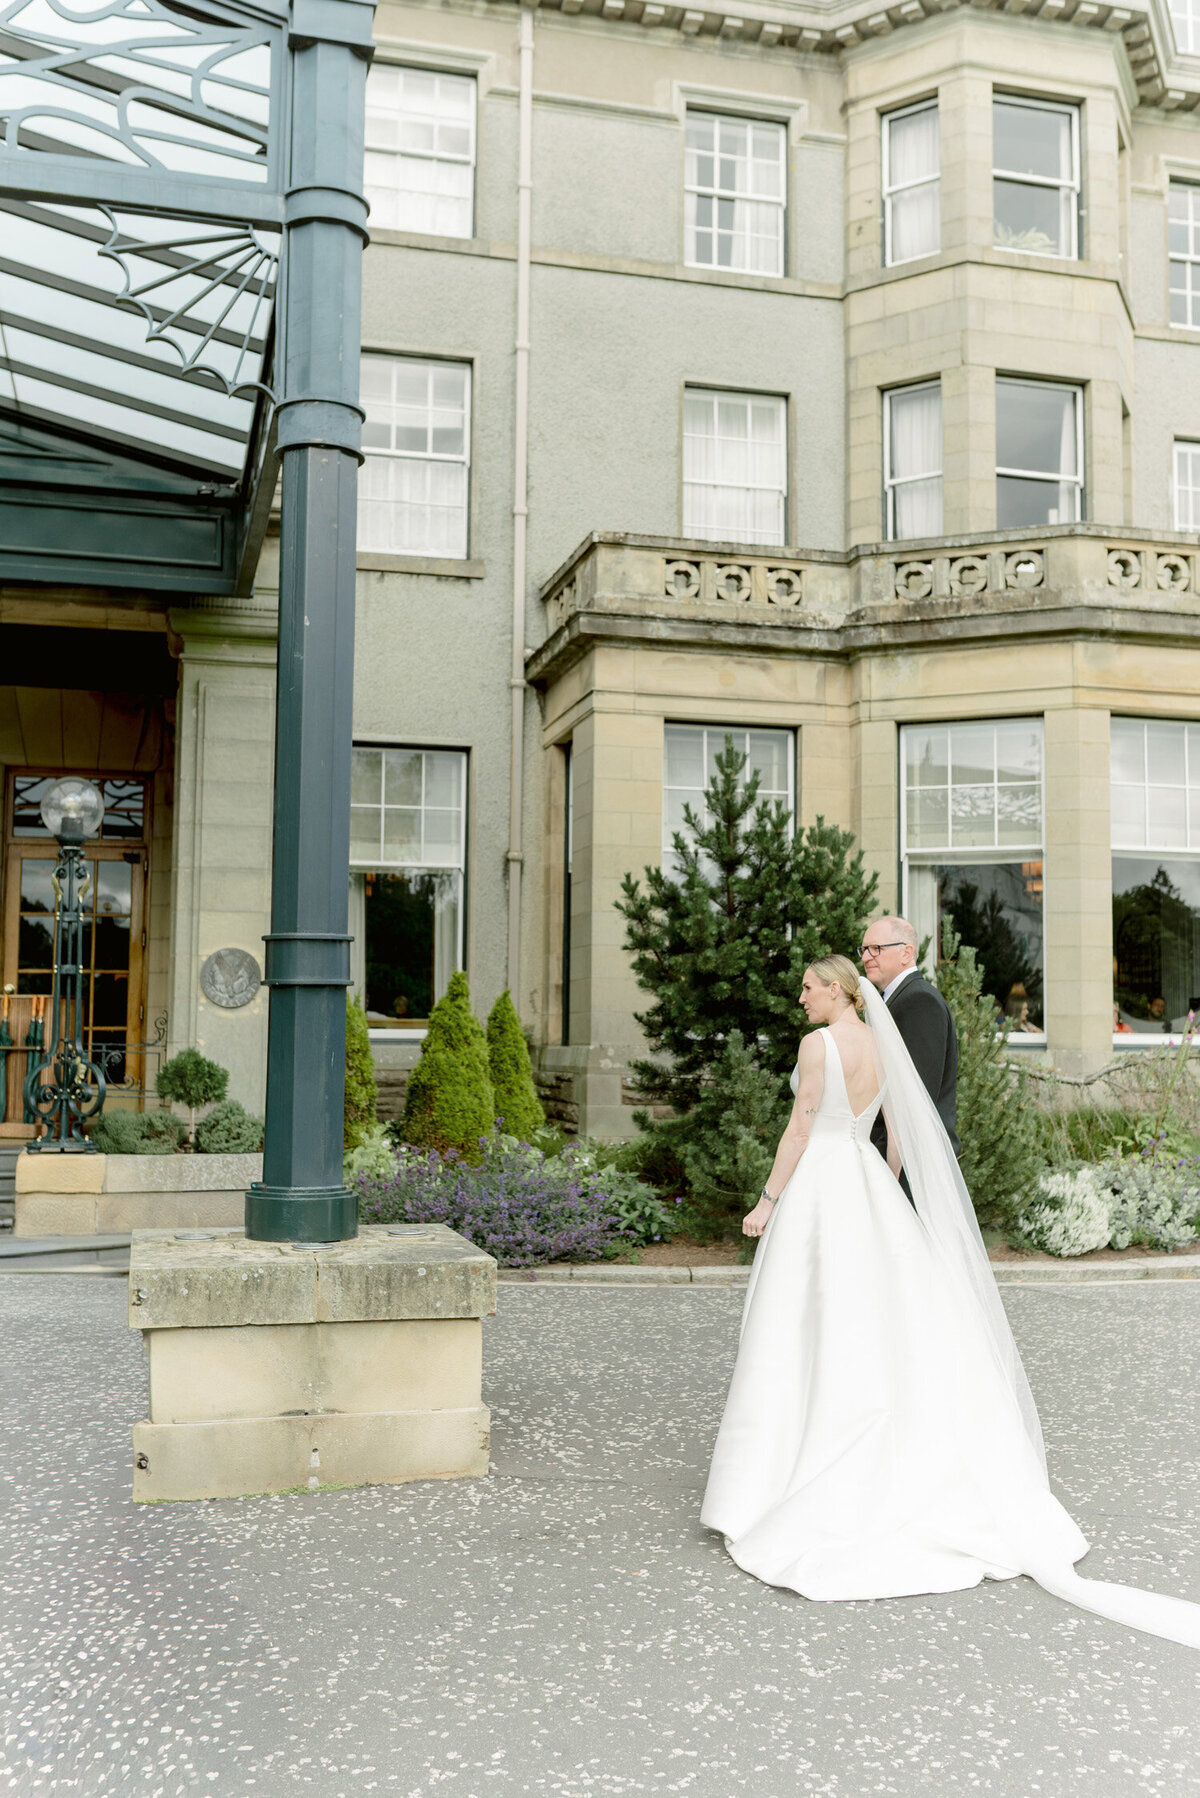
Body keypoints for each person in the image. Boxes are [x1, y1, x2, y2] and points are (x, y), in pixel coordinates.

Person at [700, 954, 1200, 1649]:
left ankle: (788, 1464)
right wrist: (888, 1194)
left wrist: (767, 1201)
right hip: (870, 1181)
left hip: (824, 1184)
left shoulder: (820, 1045)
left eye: (810, 987)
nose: (802, 998)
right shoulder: (881, 1041)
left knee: (809, 1321)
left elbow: (800, 1128)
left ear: (841, 991)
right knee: (883, 1320)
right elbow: (900, 1137)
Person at [861, 916, 958, 1205]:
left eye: (876, 948)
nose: (866, 957)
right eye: (864, 949)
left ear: (906, 952)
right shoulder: (894, 1000)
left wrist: (891, 1169)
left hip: (913, 1164)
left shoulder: (919, 1001)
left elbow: (915, 1097)